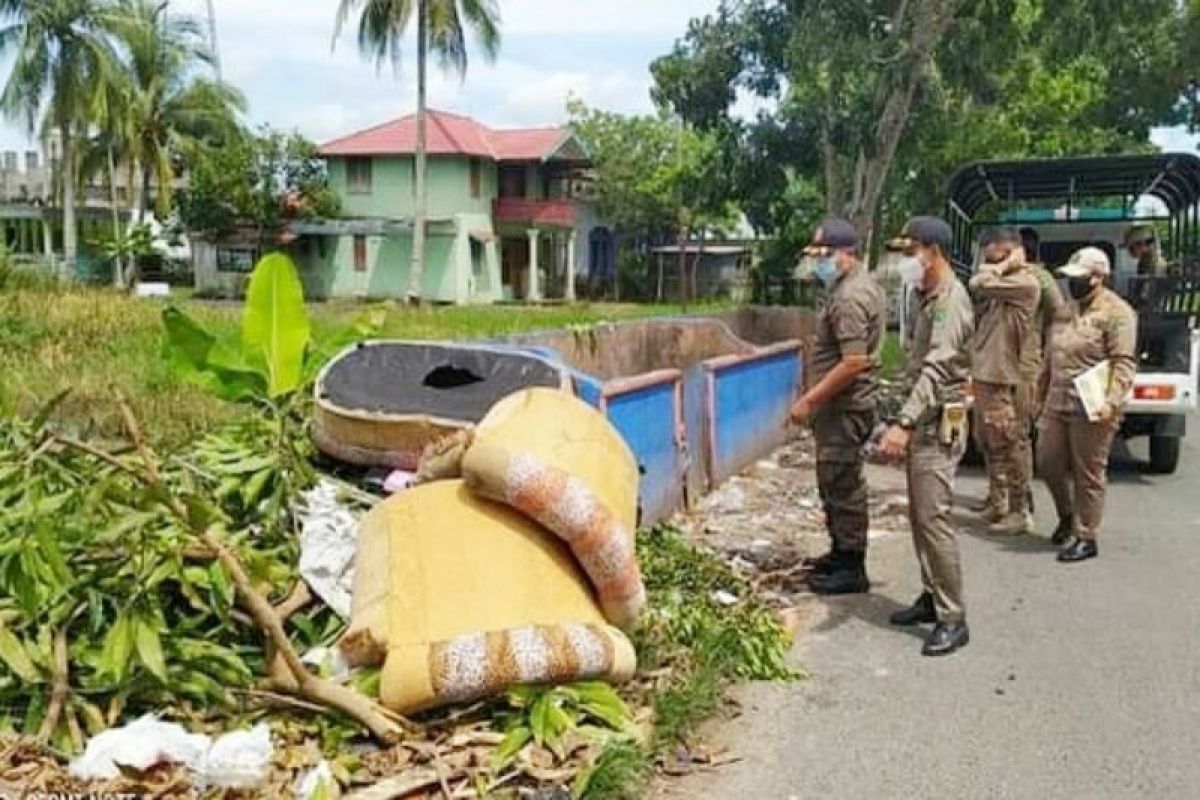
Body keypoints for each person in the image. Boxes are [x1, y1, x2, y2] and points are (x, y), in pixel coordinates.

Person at [880, 216, 974, 656]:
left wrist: (905, 421)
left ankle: (953, 617)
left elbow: (937, 366)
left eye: (910, 250)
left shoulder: (951, 301)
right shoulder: (924, 296)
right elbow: (913, 362)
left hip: (939, 421)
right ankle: (931, 594)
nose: (904, 260)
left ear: (933, 252)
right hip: (924, 419)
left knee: (934, 518)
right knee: (920, 515)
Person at [789, 218, 887, 595]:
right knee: (833, 480)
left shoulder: (850, 297)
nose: (819, 264)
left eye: (824, 256)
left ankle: (851, 565)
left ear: (846, 254)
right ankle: (840, 552)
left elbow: (853, 361)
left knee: (842, 483)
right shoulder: (851, 286)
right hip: (839, 407)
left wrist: (808, 401)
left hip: (844, 408)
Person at [1037, 247, 1137, 562]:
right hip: (1058, 398)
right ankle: (1066, 516)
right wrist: (1039, 394)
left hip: (1092, 402)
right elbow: (1049, 357)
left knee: (1088, 471)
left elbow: (1123, 362)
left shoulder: (1117, 313)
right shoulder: (1065, 311)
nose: (1073, 283)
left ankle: (1086, 534)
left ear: (1098, 277)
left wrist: (1113, 400)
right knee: (1047, 461)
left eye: (1079, 278)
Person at [968, 227, 1041, 535]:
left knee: (1010, 443)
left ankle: (1019, 510)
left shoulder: (1024, 282)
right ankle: (997, 502)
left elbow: (977, 282)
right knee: (989, 442)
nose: (986, 256)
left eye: (991, 250)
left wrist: (1004, 265)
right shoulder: (1005, 285)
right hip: (988, 373)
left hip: (1004, 376)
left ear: (1008, 249)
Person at [1018, 227, 1068, 539]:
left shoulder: (1041, 279)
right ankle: (1008, 495)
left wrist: (1049, 355)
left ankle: (1023, 500)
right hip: (1003, 365)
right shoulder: (1004, 278)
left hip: (1028, 364)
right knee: (998, 436)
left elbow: (1058, 315)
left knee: (1021, 435)